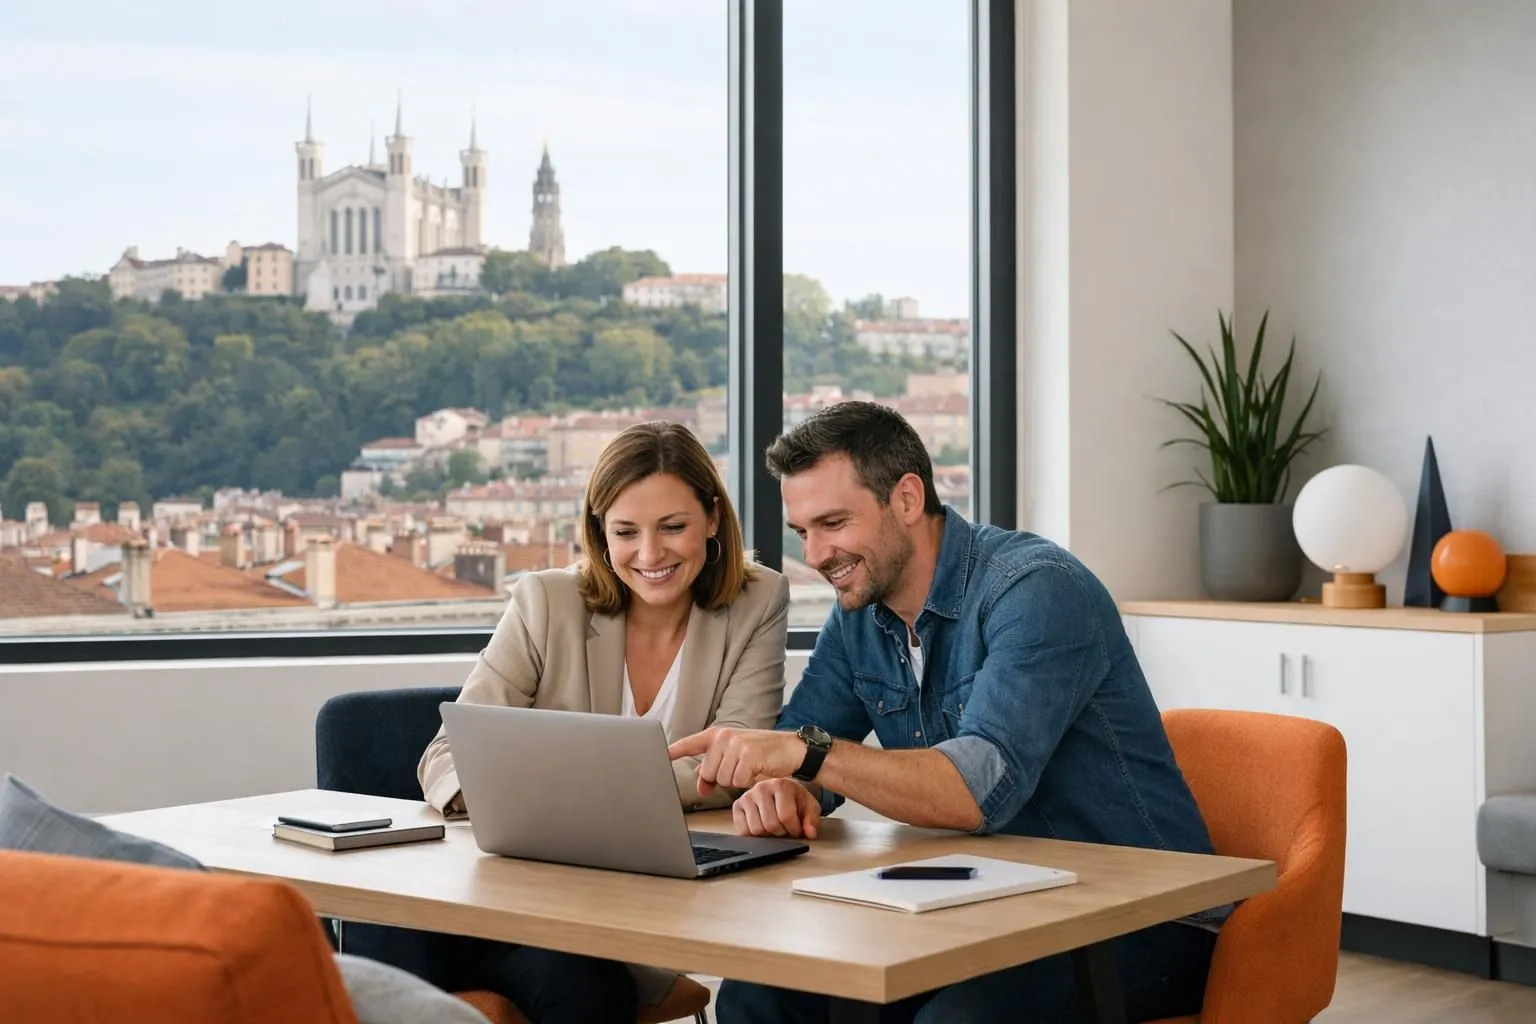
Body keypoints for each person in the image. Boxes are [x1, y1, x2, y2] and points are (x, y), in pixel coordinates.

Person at [668, 402, 1224, 1024]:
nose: (817, 554)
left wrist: (810, 755)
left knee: (954, 1019)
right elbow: (804, 754)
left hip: (1137, 919)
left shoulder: (1037, 589)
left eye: (832, 523)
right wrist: (786, 792)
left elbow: (974, 791)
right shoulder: (859, 615)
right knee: (759, 994)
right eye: (803, 532)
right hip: (979, 899)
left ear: (906, 498)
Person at [417, 420, 790, 1024]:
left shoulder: (758, 603)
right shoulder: (544, 601)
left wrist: (560, 797)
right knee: (568, 984)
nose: (650, 554)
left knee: (590, 985)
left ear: (713, 519)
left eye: (673, 526)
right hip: (518, 900)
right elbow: (444, 755)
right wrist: (507, 799)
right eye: (625, 532)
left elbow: (737, 762)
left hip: (646, 908)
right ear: (599, 532)